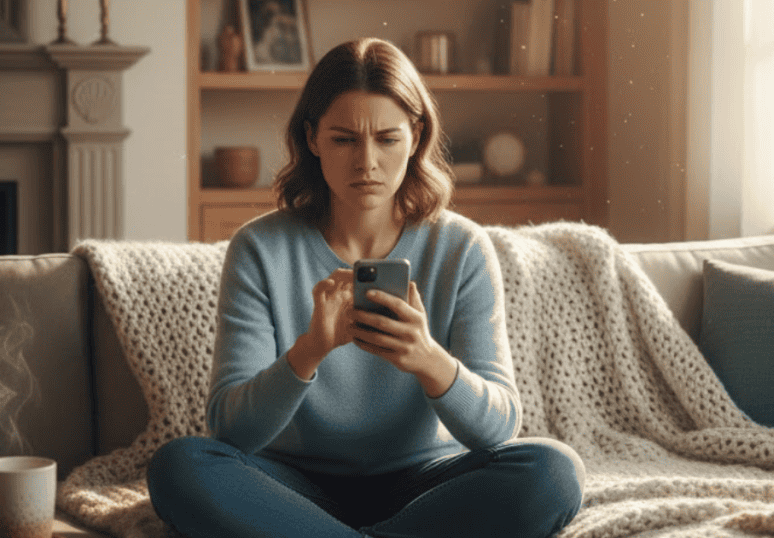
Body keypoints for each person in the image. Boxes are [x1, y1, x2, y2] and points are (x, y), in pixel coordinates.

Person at [147, 37, 586, 538]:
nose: (366, 162)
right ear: (311, 138)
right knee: (178, 465)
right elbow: (229, 430)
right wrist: (308, 352)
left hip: (425, 483)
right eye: (344, 139)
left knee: (553, 470)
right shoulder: (259, 248)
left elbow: (498, 429)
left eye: (386, 138)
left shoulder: (462, 247)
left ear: (417, 136)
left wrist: (427, 359)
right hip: (291, 487)